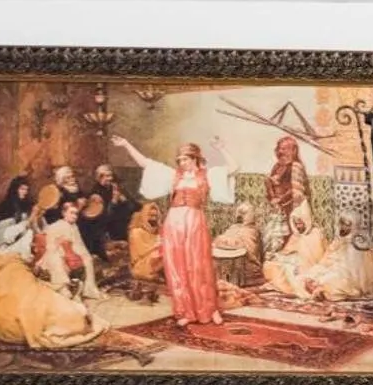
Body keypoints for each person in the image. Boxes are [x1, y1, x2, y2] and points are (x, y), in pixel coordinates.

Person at [109, 133, 234, 327]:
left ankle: (209, 310)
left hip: (194, 222)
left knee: (199, 266)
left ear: (194, 158)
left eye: (185, 159)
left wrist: (221, 148)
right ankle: (185, 311)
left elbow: (235, 168)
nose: (181, 163)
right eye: (179, 160)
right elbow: (146, 164)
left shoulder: (206, 175)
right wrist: (126, 144)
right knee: (177, 267)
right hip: (173, 222)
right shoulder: (174, 175)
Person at [33, 198, 101, 300]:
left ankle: (89, 289)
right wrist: (62, 250)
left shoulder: (74, 227)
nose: (74, 216)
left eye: (76, 214)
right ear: (64, 213)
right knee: (56, 258)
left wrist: (83, 255)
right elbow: (50, 247)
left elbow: (79, 245)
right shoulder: (55, 226)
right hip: (53, 254)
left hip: (70, 252)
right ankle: (63, 288)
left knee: (88, 259)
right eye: (71, 213)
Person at [262, 135, 311, 253]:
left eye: (284, 149)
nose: (281, 151)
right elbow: (270, 183)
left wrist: (280, 201)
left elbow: (296, 191)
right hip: (277, 206)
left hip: (292, 207)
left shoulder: (296, 166)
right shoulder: (277, 166)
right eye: (279, 148)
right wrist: (273, 197)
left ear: (293, 151)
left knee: (289, 233)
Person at [0, 175, 35, 259]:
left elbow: (30, 226)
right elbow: (0, 227)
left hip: (20, 237)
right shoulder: (5, 205)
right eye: (22, 189)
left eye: (26, 189)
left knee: (29, 233)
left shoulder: (27, 204)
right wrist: (24, 223)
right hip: (5, 236)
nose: (25, 192)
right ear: (15, 189)